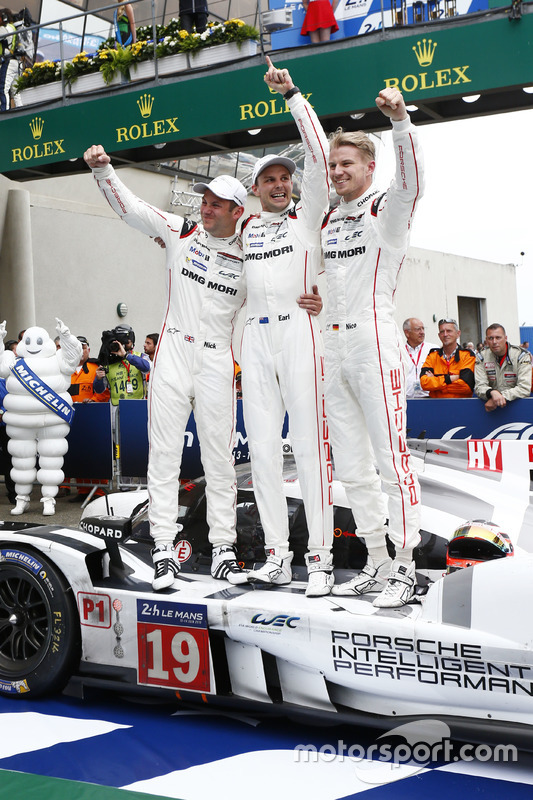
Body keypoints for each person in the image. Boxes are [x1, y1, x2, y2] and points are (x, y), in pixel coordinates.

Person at [322, 87, 424, 608]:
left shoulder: (386, 207)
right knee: (353, 469)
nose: (337, 171)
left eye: (346, 163)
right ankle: (377, 562)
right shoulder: (327, 218)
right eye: (332, 164)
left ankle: (405, 567)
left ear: (369, 165)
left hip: (373, 341)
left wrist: (401, 121)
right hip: (331, 347)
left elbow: (413, 181)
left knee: (391, 461)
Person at [242, 58, 334, 597]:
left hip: (302, 333)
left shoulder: (307, 217)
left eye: (284, 178)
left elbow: (320, 157)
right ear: (255, 190)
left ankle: (319, 560)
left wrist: (293, 96)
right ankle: (277, 554)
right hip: (257, 341)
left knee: (308, 447)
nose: (279, 185)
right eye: (268, 180)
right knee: (260, 452)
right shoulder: (245, 229)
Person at [93, 325, 150, 415]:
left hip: (138, 407)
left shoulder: (140, 356)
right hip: (116, 409)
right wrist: (98, 379)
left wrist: (126, 355)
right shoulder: (108, 362)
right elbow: (99, 390)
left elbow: (147, 367)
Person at [475, 323, 532, 412]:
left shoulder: (521, 355)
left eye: (498, 337)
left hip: (517, 409)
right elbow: (479, 386)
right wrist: (491, 393)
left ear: (505, 338)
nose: (494, 342)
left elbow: (524, 388)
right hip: (490, 412)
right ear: (486, 340)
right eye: (491, 338)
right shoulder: (481, 357)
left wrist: (500, 396)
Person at [420, 319, 475, 398]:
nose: (445, 334)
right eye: (442, 332)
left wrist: (437, 386)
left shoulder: (468, 355)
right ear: (439, 335)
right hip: (436, 406)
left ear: (458, 333)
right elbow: (424, 383)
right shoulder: (432, 356)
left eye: (449, 331)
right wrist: (450, 378)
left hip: (461, 406)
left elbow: (466, 386)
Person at [69, 336, 110, 403]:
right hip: (68, 410)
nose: (80, 351)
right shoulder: (66, 369)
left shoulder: (97, 368)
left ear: (89, 350)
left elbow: (104, 393)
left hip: (90, 410)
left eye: (83, 348)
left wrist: (92, 401)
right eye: (77, 348)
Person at [403, 317, 436, 398]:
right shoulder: (400, 351)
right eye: (418, 329)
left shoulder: (433, 349)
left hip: (428, 399)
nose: (422, 332)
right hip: (406, 400)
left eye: (423, 329)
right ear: (407, 333)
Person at [0, 8, 22, 111]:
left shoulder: (4, 28)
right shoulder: (13, 27)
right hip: (15, 61)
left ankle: (5, 112)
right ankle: (21, 111)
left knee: (3, 88)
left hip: (8, 61)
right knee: (16, 91)